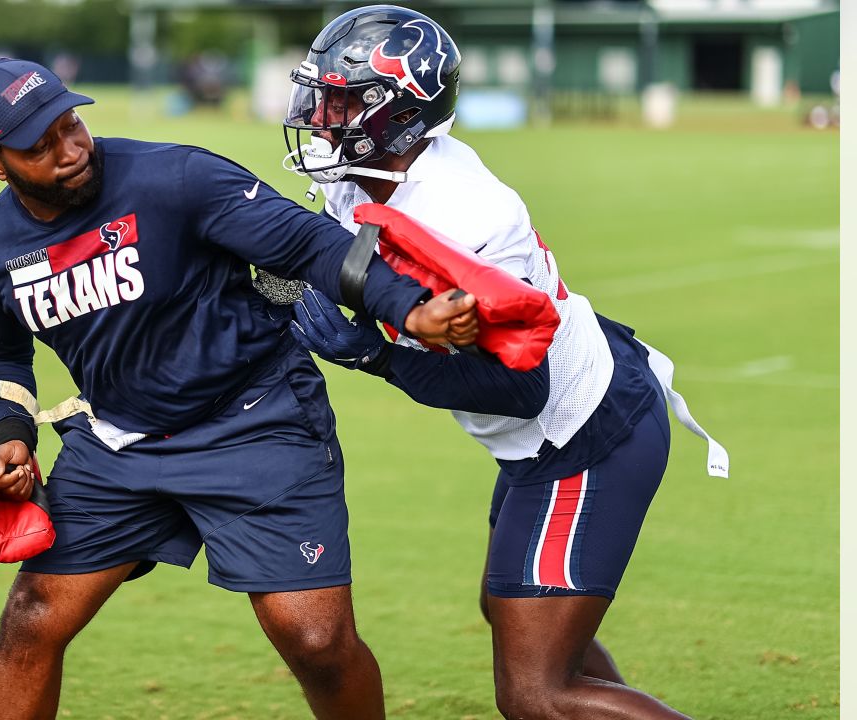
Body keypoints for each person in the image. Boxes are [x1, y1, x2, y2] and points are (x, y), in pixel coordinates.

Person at [0, 56, 478, 719]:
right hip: (118, 445)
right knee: (31, 621)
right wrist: (10, 438)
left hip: (254, 420)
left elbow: (307, 244)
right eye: (40, 145)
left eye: (71, 125)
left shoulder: (174, 178)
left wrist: (410, 308)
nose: (71, 150)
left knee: (314, 639)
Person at [279, 6, 728, 719]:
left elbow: (517, 386)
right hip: (553, 434)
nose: (319, 112)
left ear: (397, 113)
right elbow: (314, 262)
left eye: (341, 98)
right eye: (321, 93)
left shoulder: (468, 213)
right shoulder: (360, 175)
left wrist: (374, 356)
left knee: (537, 694)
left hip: (584, 434)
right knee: (523, 622)